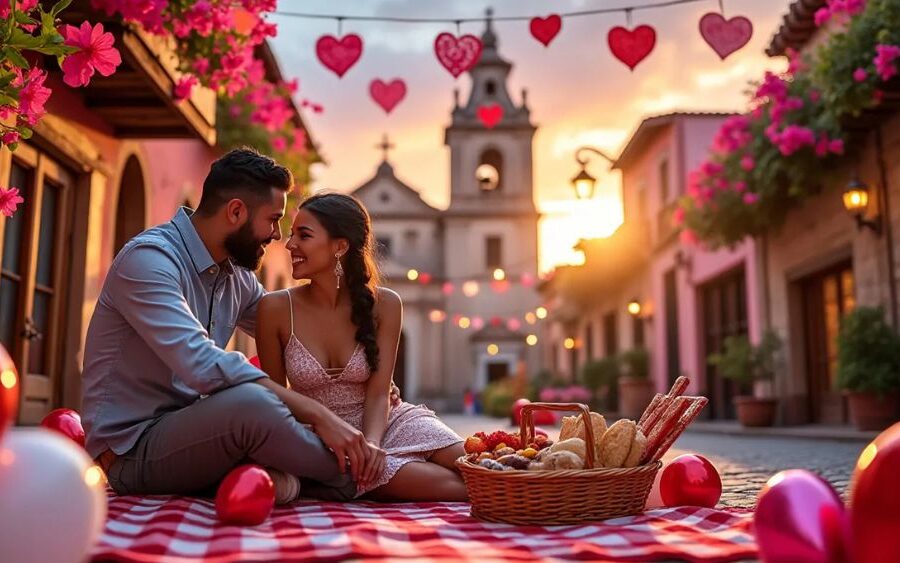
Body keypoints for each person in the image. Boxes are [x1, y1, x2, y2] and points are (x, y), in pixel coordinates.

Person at [81, 148, 389, 503]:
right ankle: (366, 475)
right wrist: (319, 415)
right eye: (273, 220)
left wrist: (359, 371)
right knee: (253, 404)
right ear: (236, 212)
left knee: (273, 450)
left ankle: (294, 480)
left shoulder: (234, 276)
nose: (277, 236)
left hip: (196, 432)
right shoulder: (150, 260)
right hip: (131, 451)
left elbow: (292, 330)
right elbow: (202, 365)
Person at [255, 192, 468, 501]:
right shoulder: (274, 308)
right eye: (291, 235)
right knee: (462, 489)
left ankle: (555, 486)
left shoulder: (386, 304)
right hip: (325, 440)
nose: (289, 245)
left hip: (386, 422)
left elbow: (379, 391)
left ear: (340, 247)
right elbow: (275, 400)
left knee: (480, 466)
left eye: (304, 235)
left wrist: (372, 443)